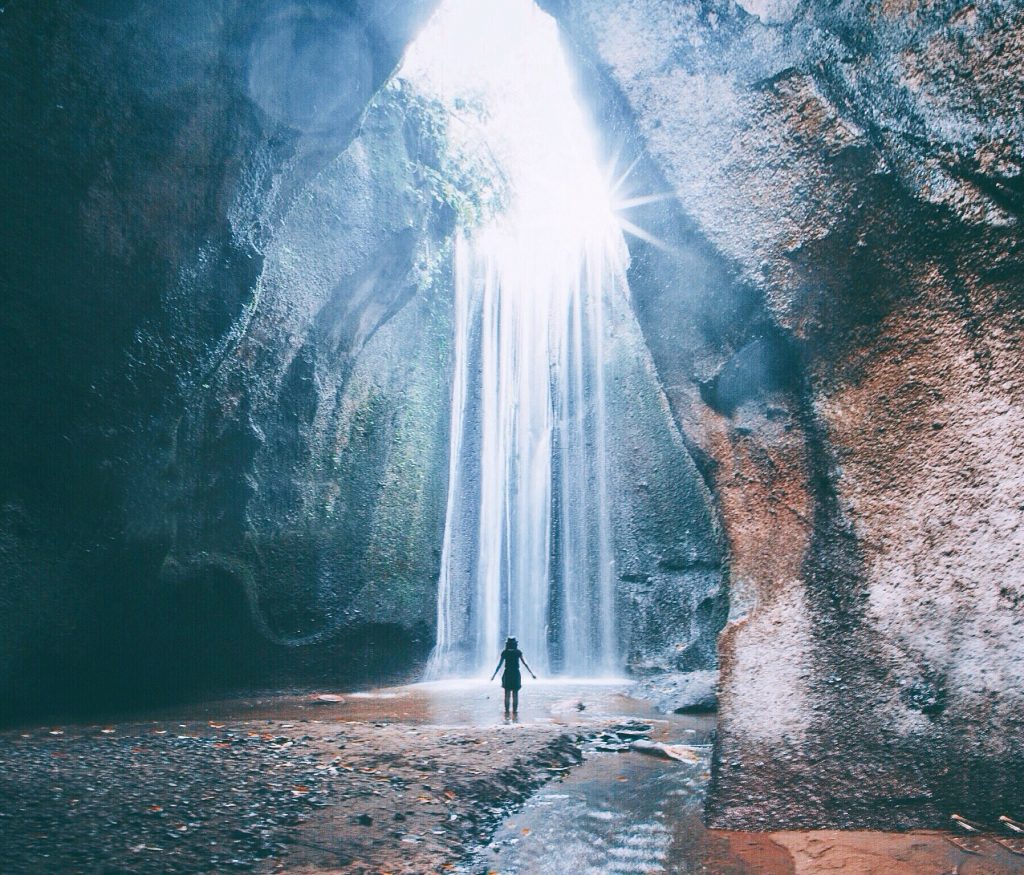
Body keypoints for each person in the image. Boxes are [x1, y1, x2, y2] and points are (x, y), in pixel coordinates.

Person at [490, 636, 536, 716]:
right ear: (515, 644)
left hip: (507, 673)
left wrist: (494, 675)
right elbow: (525, 663)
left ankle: (507, 711)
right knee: (515, 694)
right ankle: (515, 712)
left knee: (507, 693)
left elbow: (499, 665)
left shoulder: (504, 652)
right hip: (515, 673)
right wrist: (531, 673)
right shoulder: (518, 652)